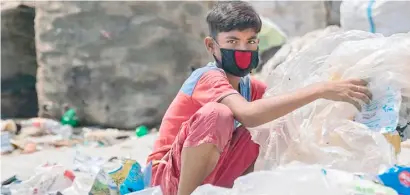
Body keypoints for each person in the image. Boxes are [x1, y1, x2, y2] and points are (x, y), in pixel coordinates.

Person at [147, 2, 372, 195]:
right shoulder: (207, 77)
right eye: (233, 42)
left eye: (250, 41)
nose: (243, 49)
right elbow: (249, 115)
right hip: (168, 178)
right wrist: (320, 89)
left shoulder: (249, 86)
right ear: (211, 46)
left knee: (277, 120)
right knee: (218, 114)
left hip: (213, 175)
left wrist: (341, 102)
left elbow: (284, 104)